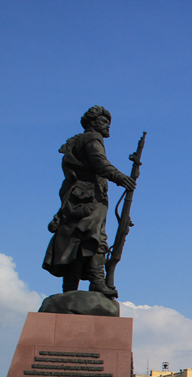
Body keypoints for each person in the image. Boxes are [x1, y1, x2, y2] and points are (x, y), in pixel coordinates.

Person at [43, 106, 136, 298]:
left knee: (76, 243)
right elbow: (99, 162)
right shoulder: (93, 138)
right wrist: (120, 177)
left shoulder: (77, 141)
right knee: (95, 238)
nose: (107, 126)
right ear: (92, 123)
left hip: (76, 198)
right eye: (104, 122)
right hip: (89, 198)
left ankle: (69, 291)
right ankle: (96, 282)